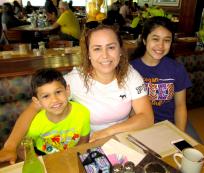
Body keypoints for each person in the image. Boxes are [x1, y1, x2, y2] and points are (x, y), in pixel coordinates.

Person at [0, 25, 153, 164]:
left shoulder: (131, 75)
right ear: (88, 54)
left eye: (111, 47)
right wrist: (10, 146)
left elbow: (147, 117)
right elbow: (34, 108)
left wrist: (108, 131)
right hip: (89, 146)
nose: (105, 55)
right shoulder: (76, 79)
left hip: (124, 141)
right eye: (97, 48)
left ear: (120, 50)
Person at [130, 17, 200, 140]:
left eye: (166, 40)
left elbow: (180, 106)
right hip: (143, 124)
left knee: (195, 151)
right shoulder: (131, 69)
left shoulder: (176, 68)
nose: (161, 46)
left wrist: (180, 135)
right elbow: (130, 108)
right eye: (155, 39)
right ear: (145, 40)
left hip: (171, 123)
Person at [0, 68, 90, 161]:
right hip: (42, 156)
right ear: (37, 101)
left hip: (71, 154)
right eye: (46, 96)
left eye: (58, 92)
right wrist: (38, 163)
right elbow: (22, 149)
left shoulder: (82, 112)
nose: (54, 100)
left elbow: (84, 139)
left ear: (67, 91)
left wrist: (74, 157)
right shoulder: (34, 124)